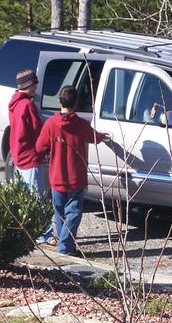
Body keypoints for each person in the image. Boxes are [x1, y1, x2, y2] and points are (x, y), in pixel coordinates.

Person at [35, 85, 108, 255]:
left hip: (56, 176)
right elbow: (94, 138)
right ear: (75, 103)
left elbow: (39, 147)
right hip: (76, 177)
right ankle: (65, 248)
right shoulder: (81, 124)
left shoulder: (50, 124)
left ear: (59, 101)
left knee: (60, 213)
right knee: (73, 213)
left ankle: (65, 245)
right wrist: (103, 136)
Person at [8, 69, 55, 244]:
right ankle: (43, 234)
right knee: (38, 198)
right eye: (34, 84)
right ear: (28, 85)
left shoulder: (15, 103)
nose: (36, 87)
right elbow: (35, 131)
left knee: (26, 196)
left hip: (19, 156)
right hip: (30, 158)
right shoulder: (26, 105)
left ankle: (28, 231)